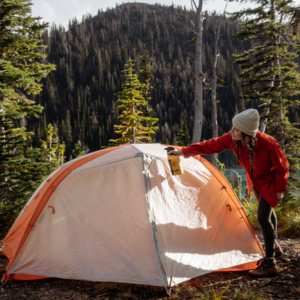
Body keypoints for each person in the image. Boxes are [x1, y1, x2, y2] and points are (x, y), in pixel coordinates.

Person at [168, 109, 289, 278]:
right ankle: (274, 247)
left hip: (269, 183)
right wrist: (184, 152)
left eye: (236, 129)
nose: (232, 131)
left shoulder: (269, 144)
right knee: (268, 214)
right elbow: (211, 145)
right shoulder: (233, 139)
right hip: (255, 182)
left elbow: (283, 167)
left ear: (247, 134)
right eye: (233, 127)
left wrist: (279, 190)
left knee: (263, 217)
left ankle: (270, 263)